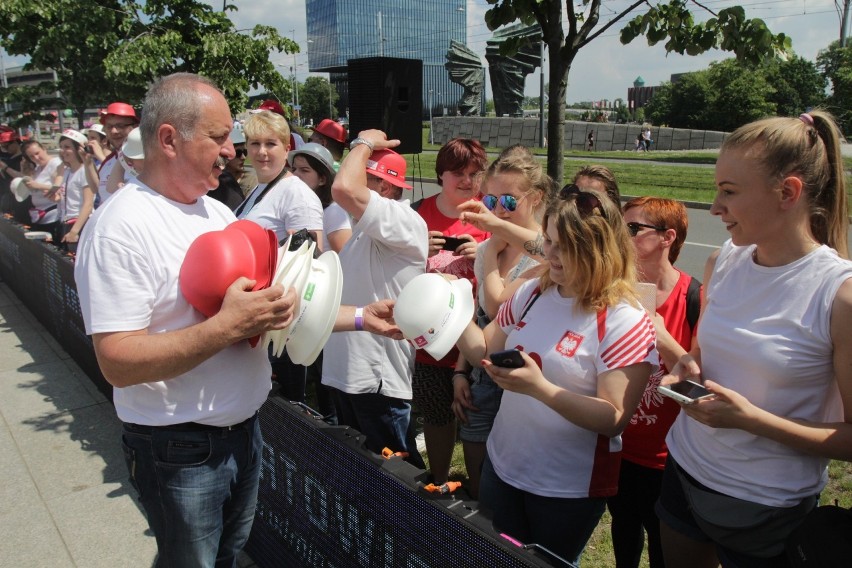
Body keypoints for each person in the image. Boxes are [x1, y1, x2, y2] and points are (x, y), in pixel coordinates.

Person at [74, 73, 402, 567]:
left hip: (242, 433)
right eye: (219, 136)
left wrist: (361, 318)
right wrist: (226, 327)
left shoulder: (216, 214)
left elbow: (278, 311)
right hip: (178, 448)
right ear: (168, 139)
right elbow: (117, 361)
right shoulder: (119, 228)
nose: (232, 150)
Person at [657, 110, 852, 568]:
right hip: (685, 470)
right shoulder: (726, 260)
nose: (714, 208)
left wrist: (751, 421)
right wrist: (689, 364)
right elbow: (704, 352)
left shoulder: (838, 294)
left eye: (728, 192)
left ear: (788, 192)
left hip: (766, 506)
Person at [454, 184, 657, 565]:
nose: (550, 254)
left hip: (567, 488)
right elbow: (483, 349)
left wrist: (540, 389)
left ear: (598, 249)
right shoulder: (532, 291)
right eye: (548, 241)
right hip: (503, 467)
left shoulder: (624, 320)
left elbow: (614, 418)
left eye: (564, 245)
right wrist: (447, 312)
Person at [322, 131, 429, 469]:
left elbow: (342, 189)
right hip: (352, 371)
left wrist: (364, 143)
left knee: (397, 477)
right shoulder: (367, 229)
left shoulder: (403, 220)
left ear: (384, 188)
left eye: (363, 175)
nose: (350, 177)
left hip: (375, 378)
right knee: (367, 478)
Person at [607, 197, 701, 568]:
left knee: (665, 548)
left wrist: (661, 336)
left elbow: (703, 383)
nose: (622, 236)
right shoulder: (615, 291)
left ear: (667, 238)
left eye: (633, 229)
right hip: (619, 448)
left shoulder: (696, 297)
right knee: (624, 534)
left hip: (670, 460)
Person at [451, 151, 549, 499]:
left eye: (509, 200)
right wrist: (460, 372)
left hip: (523, 377)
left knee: (511, 476)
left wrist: (491, 248)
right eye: (491, 200)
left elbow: (497, 306)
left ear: (536, 198)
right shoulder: (488, 246)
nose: (498, 210)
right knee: (475, 456)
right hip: (482, 369)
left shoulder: (546, 249)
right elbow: (479, 314)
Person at [410, 137, 489, 485]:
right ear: (441, 174)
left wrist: (485, 253)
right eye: (458, 172)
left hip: (477, 343)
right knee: (437, 416)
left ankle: (477, 492)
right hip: (430, 341)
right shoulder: (416, 213)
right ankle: (439, 479)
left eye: (475, 173)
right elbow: (394, 274)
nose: (467, 181)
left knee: (477, 419)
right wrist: (415, 250)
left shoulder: (492, 215)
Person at [236, 110, 324, 248]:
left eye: (270, 143)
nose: (261, 151)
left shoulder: (299, 196)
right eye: (255, 143)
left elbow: (310, 261)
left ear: (286, 149)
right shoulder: (261, 187)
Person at [288, 142, 352, 253]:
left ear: (322, 179)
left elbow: (347, 258)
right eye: (294, 169)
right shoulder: (292, 205)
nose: (296, 174)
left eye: (304, 170)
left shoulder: (334, 211)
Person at [85, 102, 139, 207]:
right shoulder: (108, 162)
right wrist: (87, 162)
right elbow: (98, 190)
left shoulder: (147, 159)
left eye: (120, 126)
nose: (114, 131)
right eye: (109, 126)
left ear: (135, 127)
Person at [55, 129, 96, 252]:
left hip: (78, 224)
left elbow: (88, 204)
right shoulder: (67, 171)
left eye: (67, 147)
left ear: (79, 149)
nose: (63, 151)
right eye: (61, 147)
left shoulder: (84, 171)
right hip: (65, 222)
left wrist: (74, 231)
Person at [20, 140, 64, 239]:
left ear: (44, 149)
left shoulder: (56, 163)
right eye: (31, 156)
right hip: (40, 216)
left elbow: (62, 187)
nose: (36, 158)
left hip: (54, 215)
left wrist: (38, 186)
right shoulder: (37, 168)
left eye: (37, 153)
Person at [209, 123, 248, 210]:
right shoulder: (219, 183)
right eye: (238, 153)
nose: (243, 157)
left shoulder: (252, 180)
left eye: (245, 152)